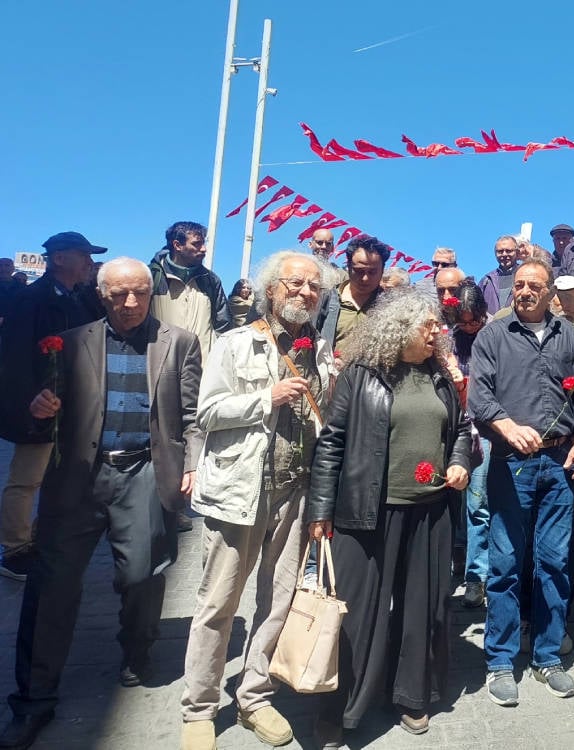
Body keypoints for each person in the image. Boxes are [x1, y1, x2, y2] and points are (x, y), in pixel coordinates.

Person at [0, 258, 203, 750]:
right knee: (51, 587)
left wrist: (193, 463)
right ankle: (34, 700)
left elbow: (192, 413)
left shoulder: (178, 342)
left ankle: (137, 652)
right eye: (118, 295)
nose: (129, 304)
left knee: (142, 575)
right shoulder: (72, 342)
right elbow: (46, 400)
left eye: (138, 293)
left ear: (150, 292)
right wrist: (39, 406)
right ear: (100, 294)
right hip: (77, 478)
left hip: (145, 472)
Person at [180, 251, 333, 750]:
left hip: (296, 494)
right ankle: (199, 707)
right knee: (218, 603)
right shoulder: (235, 342)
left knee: (278, 601)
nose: (305, 292)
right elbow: (207, 413)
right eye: (295, 283)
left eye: (313, 286)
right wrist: (266, 397)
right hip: (239, 493)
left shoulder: (319, 350)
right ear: (272, 289)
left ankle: (254, 697)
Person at [306, 290, 471, 746]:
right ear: (399, 329)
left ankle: (409, 695)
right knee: (358, 613)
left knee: (423, 607)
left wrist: (460, 461)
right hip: (366, 511)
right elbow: (333, 441)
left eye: (437, 325)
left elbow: (459, 429)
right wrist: (320, 509)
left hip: (429, 512)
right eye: (427, 325)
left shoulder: (439, 374)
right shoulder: (363, 375)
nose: (436, 331)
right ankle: (340, 708)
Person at [468, 259, 574, 707]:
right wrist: (506, 425)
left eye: (533, 285)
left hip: (560, 463)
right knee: (504, 565)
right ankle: (500, 662)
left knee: (556, 563)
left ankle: (547, 656)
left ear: (549, 293)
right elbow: (478, 394)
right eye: (518, 285)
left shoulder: (566, 335)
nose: (524, 291)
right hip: (511, 464)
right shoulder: (493, 336)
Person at [0, 232, 106, 582]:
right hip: (39, 404)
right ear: (59, 259)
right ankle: (14, 549)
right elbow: (13, 356)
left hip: (72, 403)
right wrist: (30, 399)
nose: (89, 262)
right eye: (84, 255)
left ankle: (36, 538)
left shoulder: (80, 298)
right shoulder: (30, 298)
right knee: (26, 479)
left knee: (57, 477)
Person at [449, 282, 490, 608]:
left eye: (472, 321)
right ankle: (456, 564)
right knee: (453, 502)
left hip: (486, 429)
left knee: (478, 505)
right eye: (462, 322)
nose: (468, 327)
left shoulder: (496, 334)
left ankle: (475, 578)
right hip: (453, 427)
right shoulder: (449, 337)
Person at [148, 221, 233, 363]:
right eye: (196, 244)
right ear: (177, 245)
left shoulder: (211, 281)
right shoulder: (150, 276)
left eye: (203, 243)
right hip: (159, 368)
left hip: (201, 372)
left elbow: (223, 326)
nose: (204, 249)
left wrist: (216, 361)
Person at [315, 234, 388, 352]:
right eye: (359, 271)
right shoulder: (325, 299)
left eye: (372, 272)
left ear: (382, 270)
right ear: (348, 267)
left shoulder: (391, 306)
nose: (365, 278)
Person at [479, 235, 521, 315]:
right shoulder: (486, 281)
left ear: (517, 252)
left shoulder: (526, 275)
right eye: (500, 251)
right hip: (492, 326)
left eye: (508, 251)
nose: (504, 254)